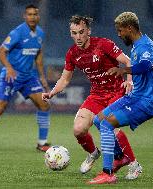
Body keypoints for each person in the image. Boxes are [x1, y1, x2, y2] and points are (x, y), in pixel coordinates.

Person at [42, 15, 142, 176]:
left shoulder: (103, 44)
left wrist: (129, 81)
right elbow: (65, 78)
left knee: (110, 128)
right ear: (71, 33)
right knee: (78, 129)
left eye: (81, 32)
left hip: (116, 92)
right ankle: (94, 153)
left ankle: (134, 164)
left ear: (88, 31)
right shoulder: (72, 53)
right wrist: (52, 92)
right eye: (74, 33)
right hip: (96, 95)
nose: (78, 37)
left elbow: (128, 61)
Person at [87, 12, 153, 184]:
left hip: (148, 101)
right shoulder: (136, 45)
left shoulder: (146, 47)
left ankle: (108, 174)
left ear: (130, 28)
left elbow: (145, 66)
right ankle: (121, 158)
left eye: (120, 31)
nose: (119, 34)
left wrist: (123, 70)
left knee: (107, 123)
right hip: (135, 97)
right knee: (99, 120)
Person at [0, 4, 51, 153]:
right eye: (29, 14)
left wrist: (42, 77)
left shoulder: (40, 33)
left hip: (28, 77)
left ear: (38, 16)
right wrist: (9, 68)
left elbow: (39, 56)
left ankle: (42, 143)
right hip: (12, 76)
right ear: (24, 16)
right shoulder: (17, 33)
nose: (32, 17)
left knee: (44, 104)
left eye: (35, 14)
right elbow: (0, 52)